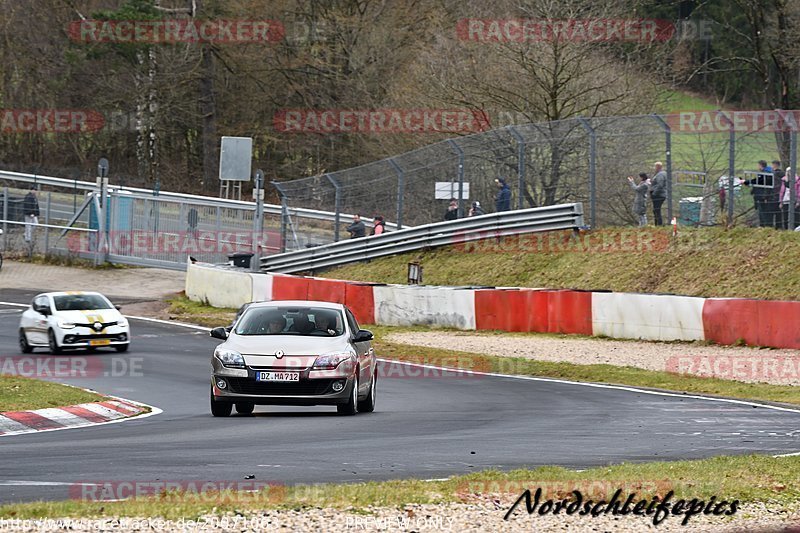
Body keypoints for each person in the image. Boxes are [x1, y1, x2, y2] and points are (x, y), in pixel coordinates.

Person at [650, 161, 667, 226]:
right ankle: (657, 224)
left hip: (658, 195)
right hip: (659, 194)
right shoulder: (661, 174)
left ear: (657, 167)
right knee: (656, 210)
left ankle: (658, 224)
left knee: (656, 210)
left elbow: (660, 185)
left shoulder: (660, 174)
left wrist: (654, 193)